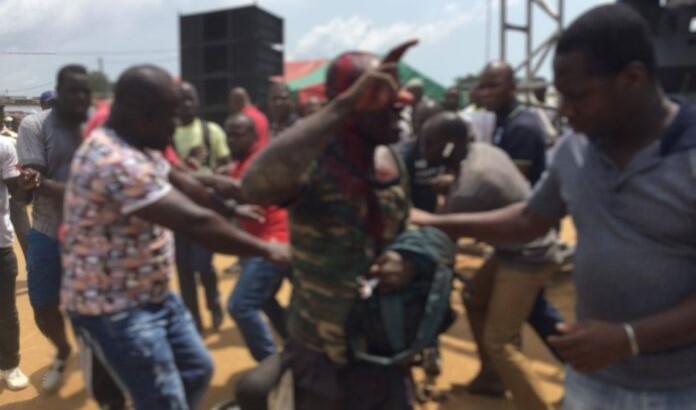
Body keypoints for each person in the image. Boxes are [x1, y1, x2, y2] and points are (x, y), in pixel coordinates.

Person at [412, 5, 696, 410]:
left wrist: (630, 337)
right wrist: (439, 223)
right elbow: (531, 218)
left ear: (632, 78)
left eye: (578, 96)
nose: (563, 110)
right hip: (593, 380)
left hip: (681, 389)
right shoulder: (574, 149)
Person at [234, 40, 456, 409]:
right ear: (347, 105)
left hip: (383, 349)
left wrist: (408, 260)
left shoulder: (392, 161)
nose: (398, 108)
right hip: (321, 356)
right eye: (380, 101)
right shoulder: (312, 164)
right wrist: (346, 103)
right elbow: (254, 185)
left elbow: (407, 230)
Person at [62, 65, 289, 410]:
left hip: (150, 292)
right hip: (115, 307)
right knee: (163, 399)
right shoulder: (114, 160)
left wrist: (230, 203)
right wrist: (268, 249)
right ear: (142, 114)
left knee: (198, 369)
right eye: (169, 116)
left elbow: (185, 181)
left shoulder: (138, 143)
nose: (175, 125)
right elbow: (197, 225)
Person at [418, 112, 560, 410]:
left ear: (448, 147)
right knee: (473, 296)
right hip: (513, 247)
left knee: (501, 342)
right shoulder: (482, 151)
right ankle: (492, 378)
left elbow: (442, 236)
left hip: (528, 256)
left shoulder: (471, 187)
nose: (422, 151)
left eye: (429, 144)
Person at [16, 64, 91, 392]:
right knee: (43, 308)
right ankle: (62, 350)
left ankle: (94, 360)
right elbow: (31, 181)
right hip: (47, 229)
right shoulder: (34, 125)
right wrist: (30, 182)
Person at [225, 112, 291, 362]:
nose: (232, 140)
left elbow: (234, 194)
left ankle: (270, 364)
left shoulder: (255, 164)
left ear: (253, 137)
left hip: (273, 243)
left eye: (238, 135)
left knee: (240, 306)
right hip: (269, 243)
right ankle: (294, 347)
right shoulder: (244, 162)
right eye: (229, 134)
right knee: (264, 299)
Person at [173, 81, 230, 332]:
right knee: (184, 269)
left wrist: (214, 172)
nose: (186, 104)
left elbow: (227, 164)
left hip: (205, 209)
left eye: (191, 99)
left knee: (203, 264)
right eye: (181, 100)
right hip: (175, 212)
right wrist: (186, 163)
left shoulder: (211, 131)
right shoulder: (166, 134)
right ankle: (193, 318)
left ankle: (214, 303)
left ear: (198, 102)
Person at [0, 136, 32, 391]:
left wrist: (27, 185)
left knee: (5, 311)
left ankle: (10, 365)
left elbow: (18, 194)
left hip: (0, 246)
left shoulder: (3, 146)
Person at [396, 99, 444, 212]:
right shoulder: (405, 154)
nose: (427, 127)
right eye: (422, 121)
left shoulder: (447, 150)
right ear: (413, 121)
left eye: (433, 121)